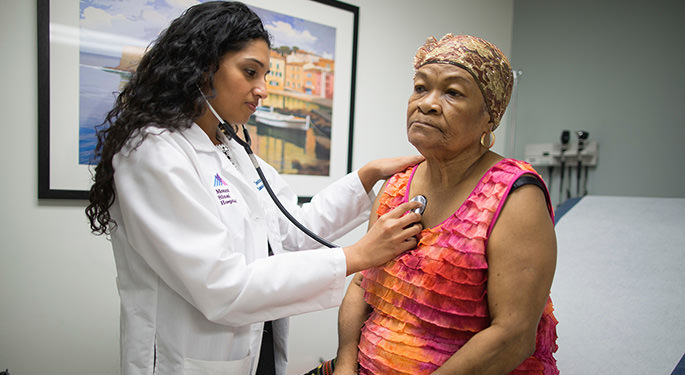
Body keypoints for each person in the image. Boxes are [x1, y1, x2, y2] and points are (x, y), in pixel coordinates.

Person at [84, 2, 425, 374]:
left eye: (264, 75)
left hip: (252, 348)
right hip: (185, 360)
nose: (262, 90)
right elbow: (220, 286)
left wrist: (367, 175)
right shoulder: (152, 152)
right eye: (250, 72)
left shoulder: (230, 148)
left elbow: (292, 230)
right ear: (201, 67)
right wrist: (356, 256)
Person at [329, 34, 559, 375]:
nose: (428, 104)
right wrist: (345, 365)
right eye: (421, 88)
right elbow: (363, 283)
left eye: (452, 92)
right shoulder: (396, 185)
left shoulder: (514, 195)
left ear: (489, 117)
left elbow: (512, 336)